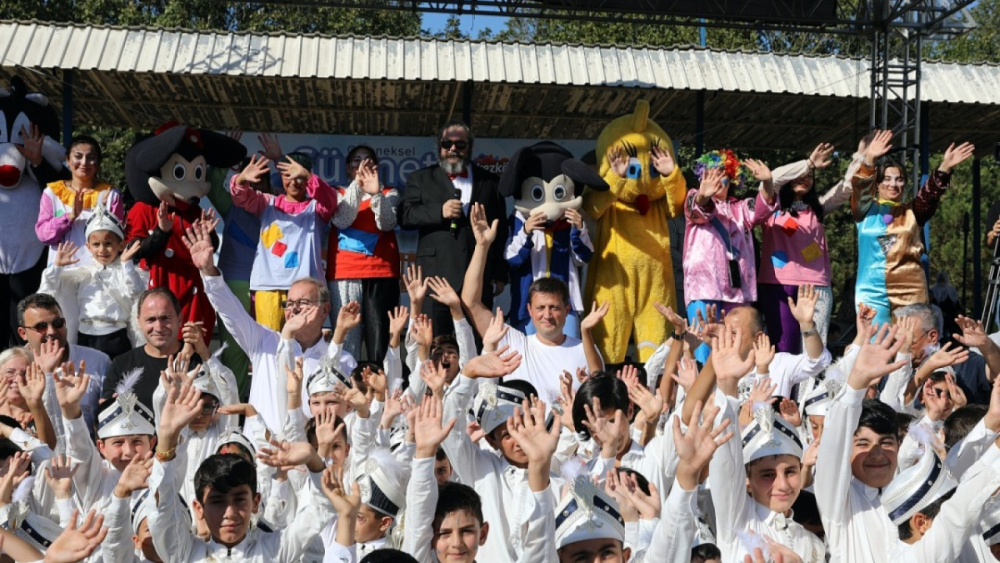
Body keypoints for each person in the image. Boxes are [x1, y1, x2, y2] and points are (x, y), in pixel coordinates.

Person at [182, 216, 353, 433]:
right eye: (289, 303)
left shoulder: (344, 360)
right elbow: (229, 310)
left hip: (309, 456)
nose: (295, 309)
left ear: (325, 309)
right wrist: (208, 271)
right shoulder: (263, 340)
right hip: (260, 454)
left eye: (303, 302)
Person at [461, 203, 605, 405]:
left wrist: (587, 332)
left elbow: (601, 387)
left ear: (567, 310)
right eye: (540, 308)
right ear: (529, 310)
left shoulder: (585, 348)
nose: (547, 315)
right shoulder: (514, 343)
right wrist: (482, 246)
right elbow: (470, 302)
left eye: (554, 307)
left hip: (568, 435)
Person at [851, 130, 974, 326]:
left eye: (899, 179)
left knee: (911, 348)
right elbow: (860, 188)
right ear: (877, 183)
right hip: (871, 291)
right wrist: (870, 159)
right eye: (888, 179)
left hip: (910, 290)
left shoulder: (913, 211)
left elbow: (930, 196)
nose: (894, 184)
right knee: (873, 346)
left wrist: (944, 168)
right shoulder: (864, 210)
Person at [399, 121, 509, 334]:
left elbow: (501, 229)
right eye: (447, 143)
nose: (453, 149)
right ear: (438, 146)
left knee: (477, 344)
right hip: (435, 275)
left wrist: (499, 274)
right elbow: (405, 216)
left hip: (477, 277)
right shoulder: (420, 178)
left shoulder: (491, 182)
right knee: (435, 344)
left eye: (460, 145)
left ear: (470, 147)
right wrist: (440, 212)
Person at [757, 142, 864, 353]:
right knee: (783, 347)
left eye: (809, 177)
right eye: (800, 175)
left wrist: (861, 157)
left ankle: (810, 388)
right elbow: (773, 177)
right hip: (779, 283)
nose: (805, 179)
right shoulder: (770, 204)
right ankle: (783, 388)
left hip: (816, 285)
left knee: (814, 348)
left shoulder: (818, 208)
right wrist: (808, 164)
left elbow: (846, 188)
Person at [683, 151, 775, 362]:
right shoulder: (693, 198)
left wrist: (768, 183)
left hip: (738, 293)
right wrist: (704, 194)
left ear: (732, 177)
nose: (717, 178)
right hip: (704, 288)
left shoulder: (742, 207)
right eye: (711, 173)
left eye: (723, 173)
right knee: (704, 349)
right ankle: (702, 394)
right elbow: (698, 209)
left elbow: (763, 209)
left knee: (739, 348)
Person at [231, 153, 338, 332]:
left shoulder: (316, 209)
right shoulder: (267, 203)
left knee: (305, 345)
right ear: (281, 176)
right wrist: (241, 179)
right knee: (270, 345)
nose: (294, 182)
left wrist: (309, 177)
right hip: (268, 286)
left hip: (307, 288)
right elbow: (240, 197)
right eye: (288, 176)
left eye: (299, 177)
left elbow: (331, 200)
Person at [39, 200, 146, 358]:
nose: (102, 250)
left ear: (121, 245)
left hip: (116, 337)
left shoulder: (127, 271)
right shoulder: (81, 274)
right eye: (96, 244)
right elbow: (48, 292)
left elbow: (136, 293)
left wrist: (127, 264)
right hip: (86, 337)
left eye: (108, 243)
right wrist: (57, 267)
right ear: (88, 247)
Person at [327, 145, 400, 363]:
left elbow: (387, 224)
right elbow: (342, 219)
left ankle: (380, 393)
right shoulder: (337, 193)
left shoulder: (389, 193)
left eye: (367, 160)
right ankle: (346, 390)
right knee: (347, 342)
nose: (362, 165)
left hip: (382, 274)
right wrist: (358, 187)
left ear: (376, 167)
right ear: (349, 169)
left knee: (380, 343)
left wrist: (376, 193)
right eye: (356, 161)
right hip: (345, 273)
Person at [16, 293, 110, 433]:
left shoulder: (97, 361)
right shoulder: (12, 367)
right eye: (41, 326)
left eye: (57, 323)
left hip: (85, 450)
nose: (52, 331)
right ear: (23, 333)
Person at [100, 288, 202, 411]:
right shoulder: (121, 364)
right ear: (139, 322)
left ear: (179, 319)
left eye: (166, 318)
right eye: (150, 319)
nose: (158, 327)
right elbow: (106, 413)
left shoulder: (200, 362)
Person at [35, 136, 124, 269]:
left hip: (99, 274)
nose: (84, 162)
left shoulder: (110, 195)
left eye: (91, 157)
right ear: (68, 161)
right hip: (61, 272)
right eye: (78, 156)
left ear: (98, 164)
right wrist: (71, 216)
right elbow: (44, 236)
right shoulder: (52, 193)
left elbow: (118, 239)